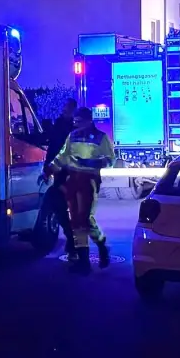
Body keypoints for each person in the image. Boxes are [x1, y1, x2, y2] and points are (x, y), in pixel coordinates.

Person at [43, 107, 115, 274]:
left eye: (79, 120)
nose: (75, 123)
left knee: (85, 218)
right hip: (73, 181)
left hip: (89, 181)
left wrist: (93, 163)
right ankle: (84, 261)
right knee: (75, 220)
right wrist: (49, 170)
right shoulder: (72, 136)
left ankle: (102, 246)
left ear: (89, 120)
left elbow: (110, 159)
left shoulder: (100, 138)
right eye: (74, 121)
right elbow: (63, 156)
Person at [37, 98, 78, 253]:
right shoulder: (60, 125)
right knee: (58, 206)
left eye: (68, 109)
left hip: (71, 176)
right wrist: (46, 170)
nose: (64, 110)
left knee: (62, 206)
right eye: (65, 108)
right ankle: (73, 241)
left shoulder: (73, 129)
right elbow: (53, 149)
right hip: (62, 175)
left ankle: (75, 245)